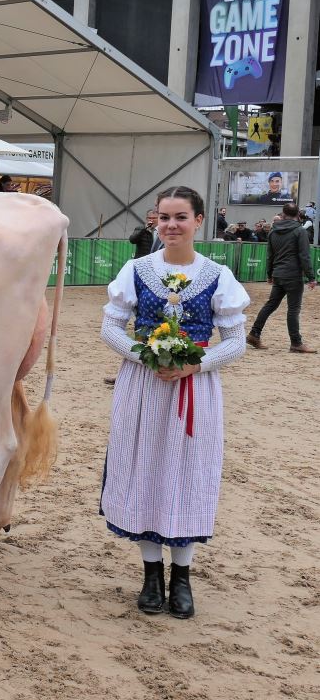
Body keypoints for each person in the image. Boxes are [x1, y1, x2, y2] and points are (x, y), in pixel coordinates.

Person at [100, 185, 249, 619]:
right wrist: (145, 355)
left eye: (180, 217)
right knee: (143, 466)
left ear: (199, 220)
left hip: (194, 390)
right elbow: (111, 328)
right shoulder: (137, 269)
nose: (171, 226)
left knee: (187, 470)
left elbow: (236, 342)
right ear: (156, 221)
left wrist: (193, 365)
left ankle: (182, 576)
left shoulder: (218, 275)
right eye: (164, 217)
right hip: (143, 385)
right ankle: (151, 574)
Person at [246, 203, 317, 354]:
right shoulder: (299, 231)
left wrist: (269, 274)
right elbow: (304, 256)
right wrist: (311, 277)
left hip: (278, 273)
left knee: (270, 305)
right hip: (293, 275)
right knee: (293, 309)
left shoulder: (272, 232)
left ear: (283, 214)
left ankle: (254, 333)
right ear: (298, 214)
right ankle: (296, 343)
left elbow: (270, 256)